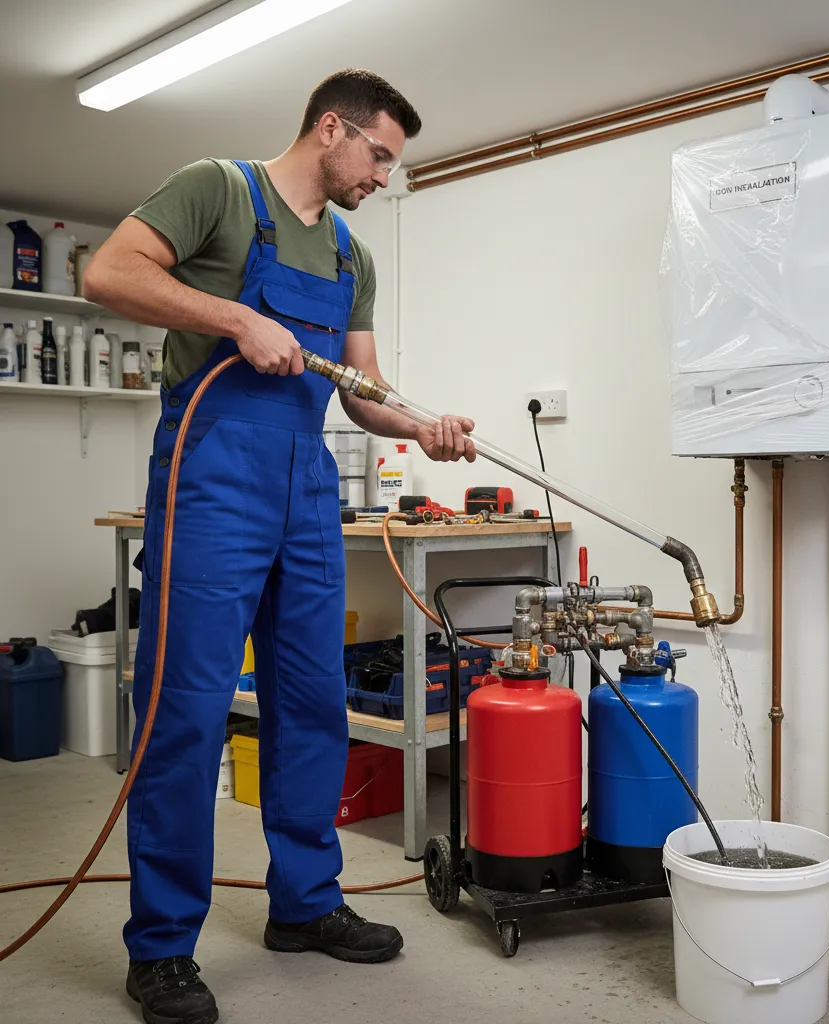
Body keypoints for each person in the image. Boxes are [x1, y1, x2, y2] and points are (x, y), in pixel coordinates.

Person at [84, 69, 476, 1024]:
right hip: (211, 477)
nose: (382, 176)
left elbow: (363, 388)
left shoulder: (350, 254)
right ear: (331, 128)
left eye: (393, 164)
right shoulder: (219, 190)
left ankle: (305, 904)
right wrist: (236, 317)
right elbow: (108, 273)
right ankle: (162, 947)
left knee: (312, 704)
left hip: (307, 485)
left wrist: (420, 426)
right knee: (186, 713)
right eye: (378, 154)